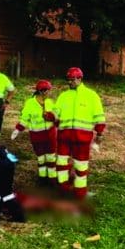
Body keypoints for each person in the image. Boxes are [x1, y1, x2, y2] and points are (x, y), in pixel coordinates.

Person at [54, 67, 106, 200]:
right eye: (68, 80)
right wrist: (50, 116)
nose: (70, 83)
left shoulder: (91, 96)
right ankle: (63, 190)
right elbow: (56, 115)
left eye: (72, 80)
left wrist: (99, 133)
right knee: (61, 164)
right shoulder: (63, 96)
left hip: (82, 138)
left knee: (81, 166)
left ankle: (80, 193)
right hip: (64, 137)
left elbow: (99, 116)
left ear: (79, 79)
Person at [11, 80, 57, 186]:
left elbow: (57, 118)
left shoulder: (50, 102)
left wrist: (51, 117)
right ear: (40, 91)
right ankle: (42, 178)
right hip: (37, 136)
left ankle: (52, 180)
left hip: (50, 135)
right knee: (41, 158)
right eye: (45, 91)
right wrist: (18, 129)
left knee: (51, 157)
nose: (47, 93)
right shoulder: (30, 103)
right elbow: (25, 118)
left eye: (49, 90)